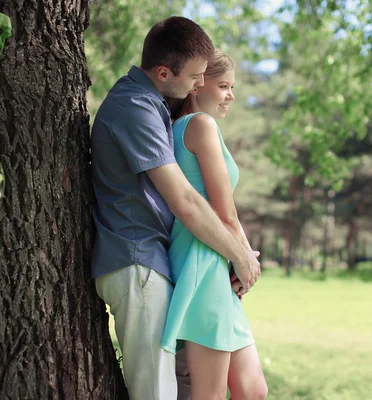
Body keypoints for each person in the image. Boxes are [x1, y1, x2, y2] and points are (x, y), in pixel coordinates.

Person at [90, 17, 261, 400]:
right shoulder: (135, 107)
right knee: (158, 393)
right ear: (164, 72)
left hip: (155, 262)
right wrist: (241, 256)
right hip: (136, 262)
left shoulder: (153, 106)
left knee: (178, 388)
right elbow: (183, 199)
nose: (200, 85)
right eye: (196, 76)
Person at [161, 50, 268, 400]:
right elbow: (226, 214)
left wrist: (240, 257)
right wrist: (246, 259)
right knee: (208, 395)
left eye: (232, 87)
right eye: (223, 86)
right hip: (203, 265)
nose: (231, 96)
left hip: (216, 264)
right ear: (196, 85)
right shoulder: (200, 126)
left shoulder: (180, 129)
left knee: (252, 390)